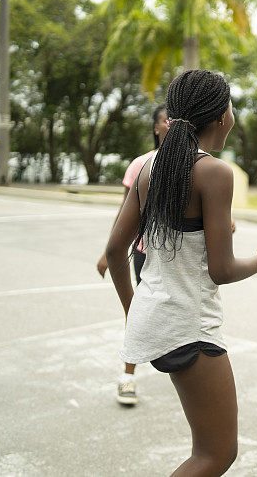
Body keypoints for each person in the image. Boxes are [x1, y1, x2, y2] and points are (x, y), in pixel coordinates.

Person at [105, 69, 257, 475]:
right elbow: (220, 269)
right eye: (231, 106)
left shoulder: (150, 168)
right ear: (221, 116)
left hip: (157, 318)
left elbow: (116, 251)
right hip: (188, 326)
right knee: (216, 454)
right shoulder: (215, 173)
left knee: (208, 450)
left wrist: (135, 313)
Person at [97, 104, 168, 405]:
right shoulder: (141, 165)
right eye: (166, 120)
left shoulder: (198, 164)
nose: (171, 124)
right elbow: (124, 214)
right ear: (155, 128)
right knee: (138, 312)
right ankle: (127, 376)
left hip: (180, 258)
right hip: (145, 253)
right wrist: (108, 252)